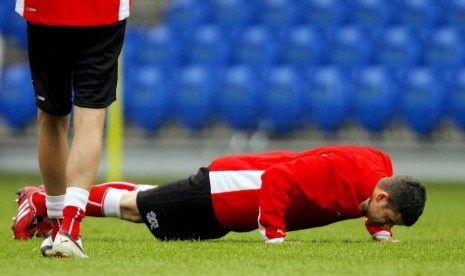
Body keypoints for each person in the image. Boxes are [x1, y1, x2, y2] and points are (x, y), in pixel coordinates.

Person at [13, 145, 427, 256]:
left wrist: (379, 231)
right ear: (382, 194)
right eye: (386, 217)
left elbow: (370, 206)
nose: (382, 222)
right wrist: (276, 236)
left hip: (235, 210)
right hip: (229, 189)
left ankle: (50, 202)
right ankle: (41, 201)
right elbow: (281, 177)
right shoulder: (345, 171)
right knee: (138, 208)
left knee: (145, 205)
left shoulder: (379, 173)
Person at [14, 0, 132, 258]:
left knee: (51, 117)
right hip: (102, 12)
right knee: (89, 117)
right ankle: (69, 229)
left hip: (46, 10)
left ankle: (57, 228)